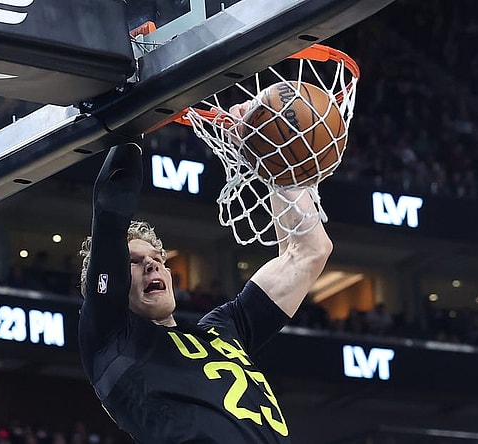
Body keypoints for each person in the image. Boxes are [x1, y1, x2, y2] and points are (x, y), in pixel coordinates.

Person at [77, 132, 333, 442]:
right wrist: (131, 125)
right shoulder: (110, 340)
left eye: (158, 258)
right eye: (133, 261)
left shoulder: (225, 328)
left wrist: (273, 154)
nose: (152, 264)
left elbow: (308, 251)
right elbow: (110, 212)